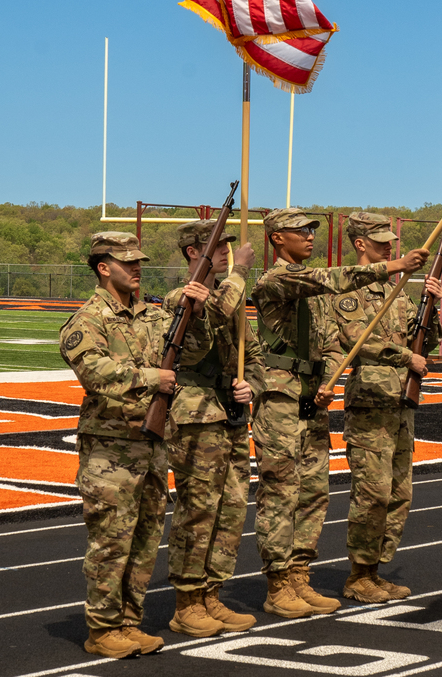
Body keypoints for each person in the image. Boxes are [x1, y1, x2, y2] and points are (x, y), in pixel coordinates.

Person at [250, 208, 429, 620]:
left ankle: (299, 576)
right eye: (300, 231)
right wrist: (396, 265)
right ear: (277, 238)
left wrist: (329, 377)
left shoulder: (315, 293)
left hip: (312, 396)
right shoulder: (276, 280)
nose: (309, 236)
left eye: (312, 230)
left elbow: (333, 342)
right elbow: (329, 279)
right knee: (280, 494)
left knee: (313, 494)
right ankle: (278, 584)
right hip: (280, 397)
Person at [59, 231, 211, 660]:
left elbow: (194, 353)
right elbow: (94, 372)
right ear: (103, 267)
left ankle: (128, 621)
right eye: (127, 262)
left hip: (151, 445)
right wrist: (150, 378)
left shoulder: (153, 316)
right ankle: (102, 628)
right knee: (111, 542)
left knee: (145, 540)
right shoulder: (87, 320)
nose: (137, 268)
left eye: (138, 261)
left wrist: (197, 314)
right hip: (111, 449)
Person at [331, 212, 442, 604]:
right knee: (372, 493)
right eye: (379, 242)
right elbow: (357, 340)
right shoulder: (349, 291)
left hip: (400, 405)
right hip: (371, 404)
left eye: (388, 241)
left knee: (398, 495)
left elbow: (423, 341)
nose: (388, 247)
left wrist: (432, 306)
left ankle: (375, 571)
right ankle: (358, 574)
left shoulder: (400, 292)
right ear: (360, 244)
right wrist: (406, 358)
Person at [163, 221, 262, 637]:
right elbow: (213, 313)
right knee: (199, 510)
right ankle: (187, 602)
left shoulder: (229, 296)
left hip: (230, 415)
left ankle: (212, 593)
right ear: (193, 252)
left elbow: (253, 355)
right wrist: (240, 272)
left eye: (228, 245)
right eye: (218, 245)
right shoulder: (180, 297)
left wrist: (251, 384)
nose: (227, 251)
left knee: (232, 509)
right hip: (195, 416)